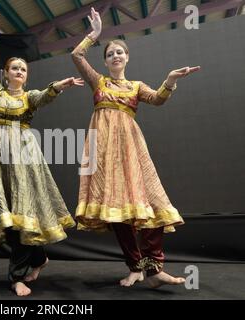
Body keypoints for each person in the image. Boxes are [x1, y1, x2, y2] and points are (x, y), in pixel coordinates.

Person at [71, 8, 200, 288]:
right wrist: (93, 35)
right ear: (105, 62)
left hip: (131, 149)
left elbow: (157, 100)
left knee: (152, 202)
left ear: (127, 57)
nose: (115, 55)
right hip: (104, 151)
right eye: (110, 54)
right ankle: (135, 267)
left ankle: (154, 269)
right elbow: (76, 56)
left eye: (119, 52)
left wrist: (170, 81)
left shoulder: (136, 86)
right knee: (118, 211)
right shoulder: (99, 81)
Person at [0, 4, 82, 296]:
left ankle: (18, 276)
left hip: (24, 156)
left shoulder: (29, 97)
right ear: (6, 73)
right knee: (8, 216)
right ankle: (38, 257)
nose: (19, 72)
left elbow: (46, 95)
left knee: (24, 211)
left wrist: (59, 85)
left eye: (23, 69)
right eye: (14, 68)